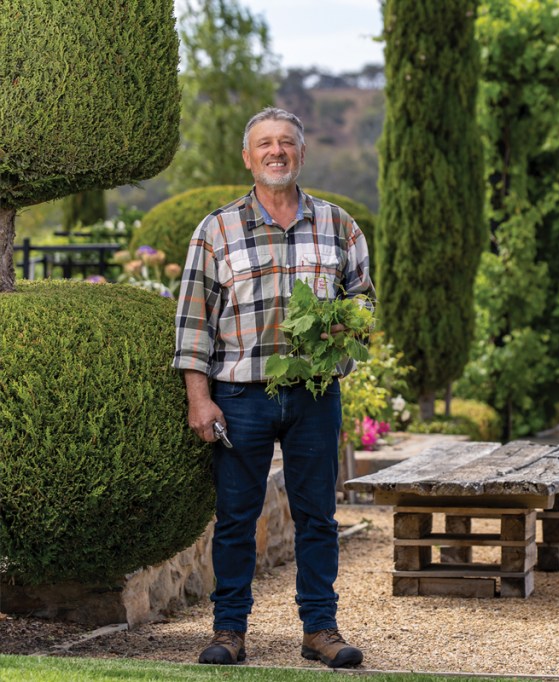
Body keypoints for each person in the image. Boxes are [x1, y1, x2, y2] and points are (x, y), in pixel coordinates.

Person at [173, 107, 373, 668]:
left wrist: (345, 321)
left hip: (314, 395)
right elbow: (193, 323)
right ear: (248, 157)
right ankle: (229, 631)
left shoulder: (338, 225)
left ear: (302, 154)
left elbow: (364, 299)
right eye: (265, 144)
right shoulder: (216, 229)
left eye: (287, 143)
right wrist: (199, 395)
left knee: (318, 516)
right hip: (239, 396)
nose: (276, 151)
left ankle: (320, 629)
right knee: (236, 518)